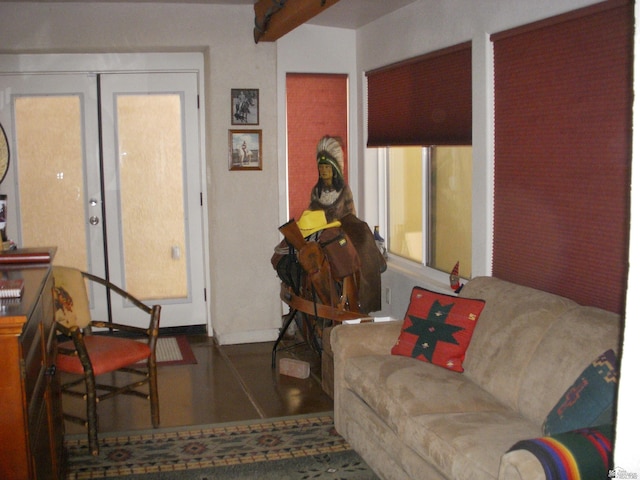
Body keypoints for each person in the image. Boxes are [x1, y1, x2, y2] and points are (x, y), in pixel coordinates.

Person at [309, 135, 355, 222]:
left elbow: (352, 220)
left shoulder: (344, 191)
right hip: (320, 234)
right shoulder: (316, 192)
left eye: (327, 167)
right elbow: (311, 218)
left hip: (340, 234)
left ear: (334, 169)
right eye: (321, 167)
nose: (324, 170)